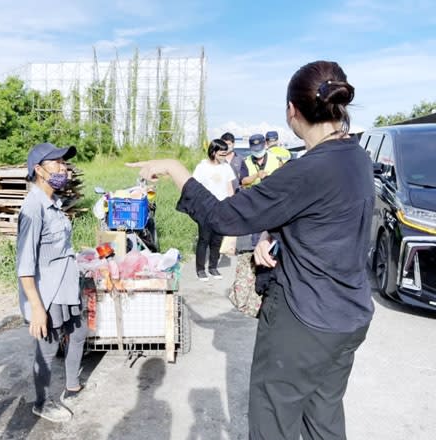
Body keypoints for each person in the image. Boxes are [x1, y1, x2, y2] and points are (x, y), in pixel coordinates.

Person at [128, 60, 374, 440]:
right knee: (322, 417)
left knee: (272, 421)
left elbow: (225, 218)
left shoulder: (305, 170)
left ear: (292, 111)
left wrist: (177, 170)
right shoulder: (355, 156)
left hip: (306, 320)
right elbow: (325, 214)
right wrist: (271, 233)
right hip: (349, 317)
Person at [16, 142, 87, 423]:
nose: (63, 168)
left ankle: (72, 385)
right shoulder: (33, 208)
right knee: (47, 349)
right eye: (56, 163)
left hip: (66, 285)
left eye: (64, 162)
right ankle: (42, 403)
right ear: (38, 170)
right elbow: (24, 265)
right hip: (48, 293)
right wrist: (36, 308)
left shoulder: (53, 203)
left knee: (80, 333)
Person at [192, 139, 235, 281]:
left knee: (217, 240)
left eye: (225, 154)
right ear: (213, 152)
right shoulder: (202, 167)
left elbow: (229, 187)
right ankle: (200, 269)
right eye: (221, 154)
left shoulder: (226, 167)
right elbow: (195, 188)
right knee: (204, 239)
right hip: (205, 208)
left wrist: (231, 204)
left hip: (221, 207)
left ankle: (213, 267)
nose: (224, 157)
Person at [241, 133, 282, 247]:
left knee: (273, 227)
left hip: (272, 198)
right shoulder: (246, 161)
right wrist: (256, 175)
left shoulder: (276, 159)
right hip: (255, 200)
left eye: (260, 148)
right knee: (256, 229)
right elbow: (243, 181)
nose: (258, 151)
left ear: (265, 145)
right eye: (255, 149)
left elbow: (283, 178)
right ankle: (256, 250)